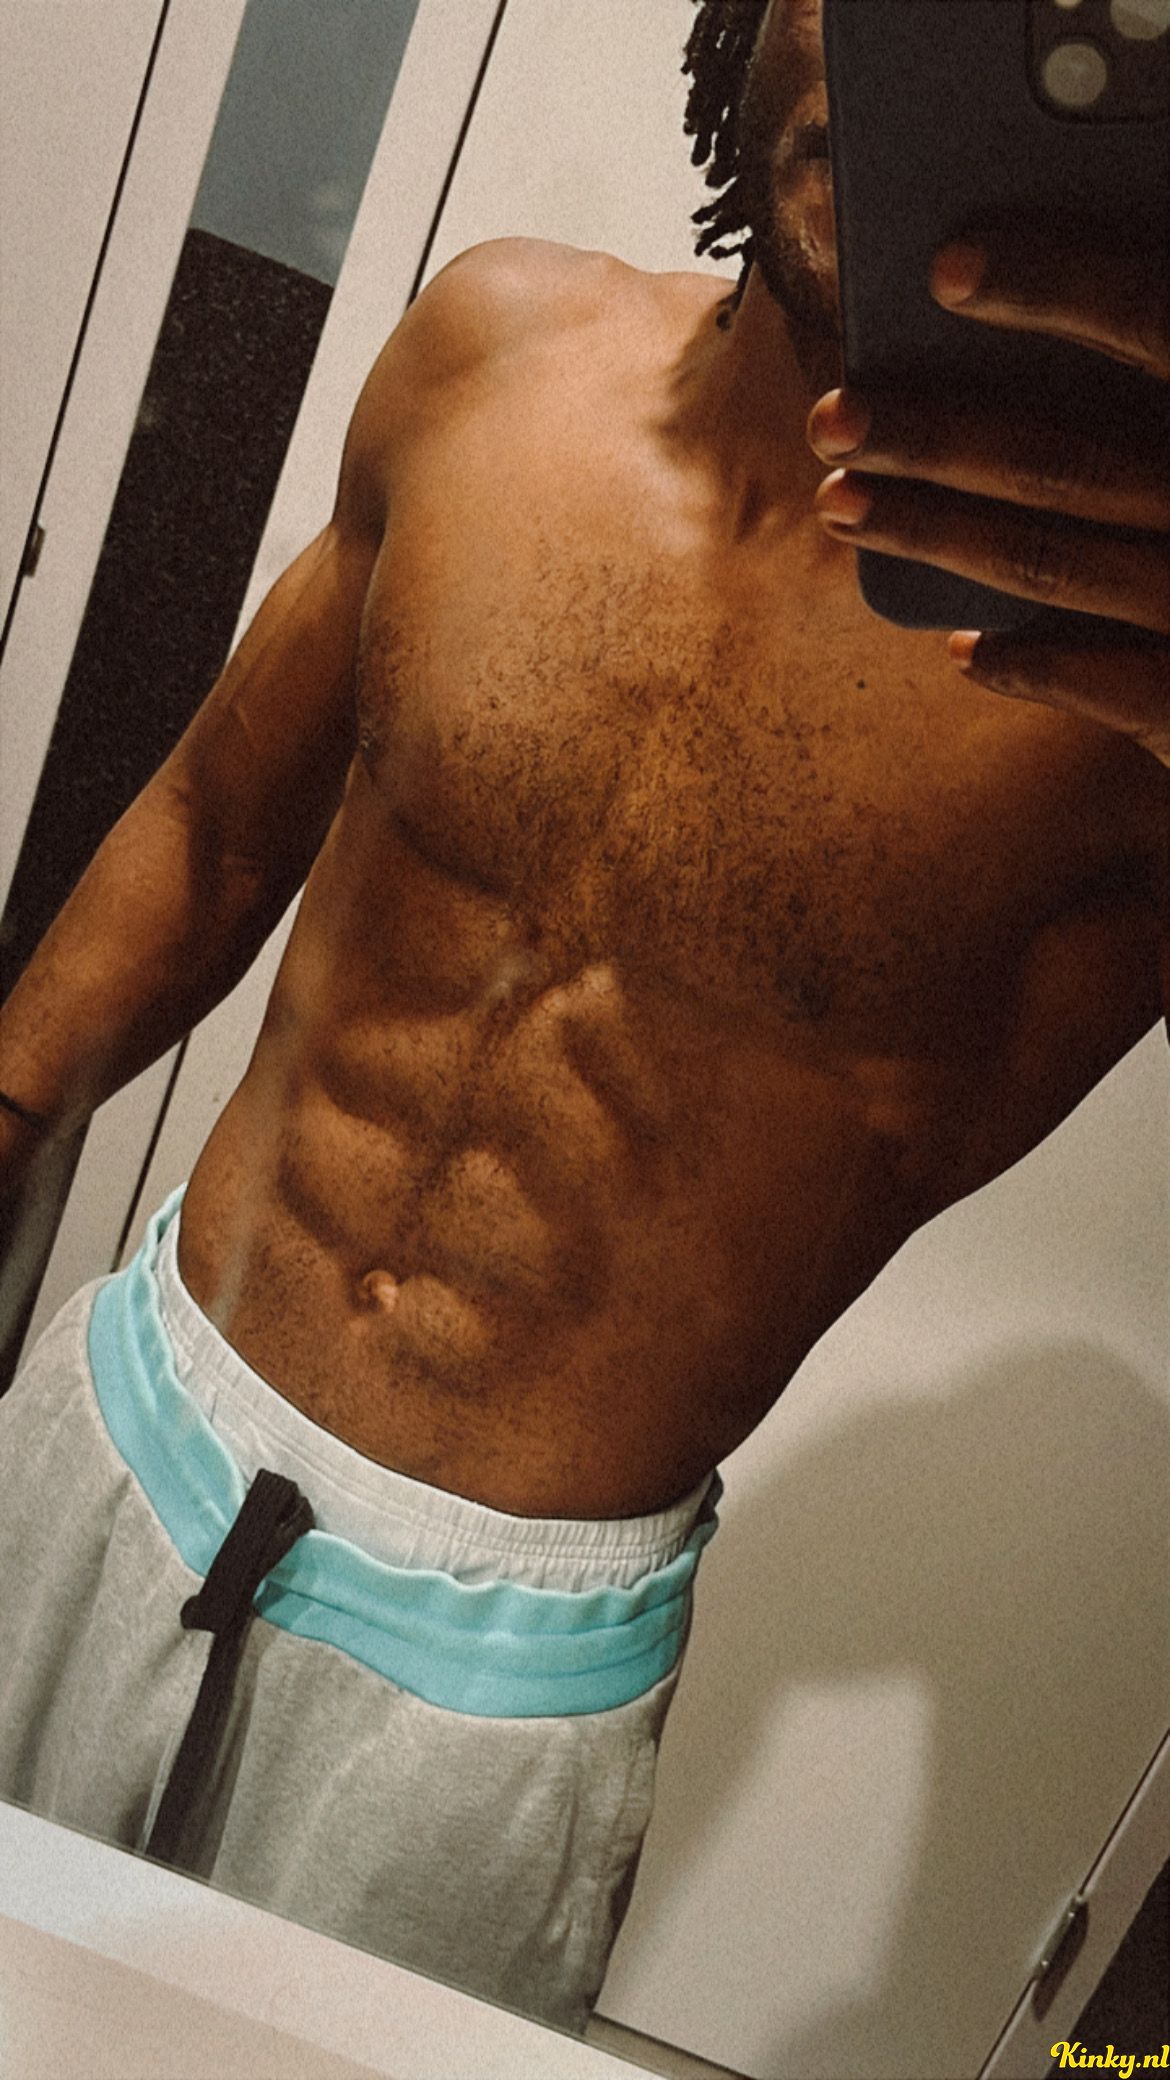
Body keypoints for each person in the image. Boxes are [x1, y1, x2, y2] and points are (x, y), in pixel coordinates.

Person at [0, 0, 1166, 2038]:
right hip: (118, 1428)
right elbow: (205, 830)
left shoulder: (1116, 691)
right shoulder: (493, 348)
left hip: (478, 1699)